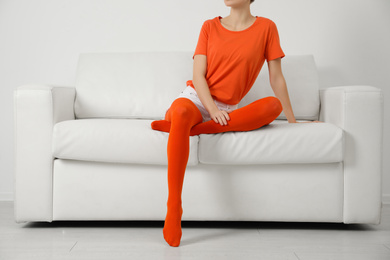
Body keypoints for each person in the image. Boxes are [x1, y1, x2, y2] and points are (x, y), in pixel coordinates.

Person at [151, 0, 322, 247]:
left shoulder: (267, 28)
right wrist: (210, 108)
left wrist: (293, 122)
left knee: (272, 106)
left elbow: (277, 78)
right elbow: (198, 75)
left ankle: (195, 130)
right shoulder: (210, 26)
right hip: (198, 99)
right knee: (179, 112)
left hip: (227, 109)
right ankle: (174, 206)